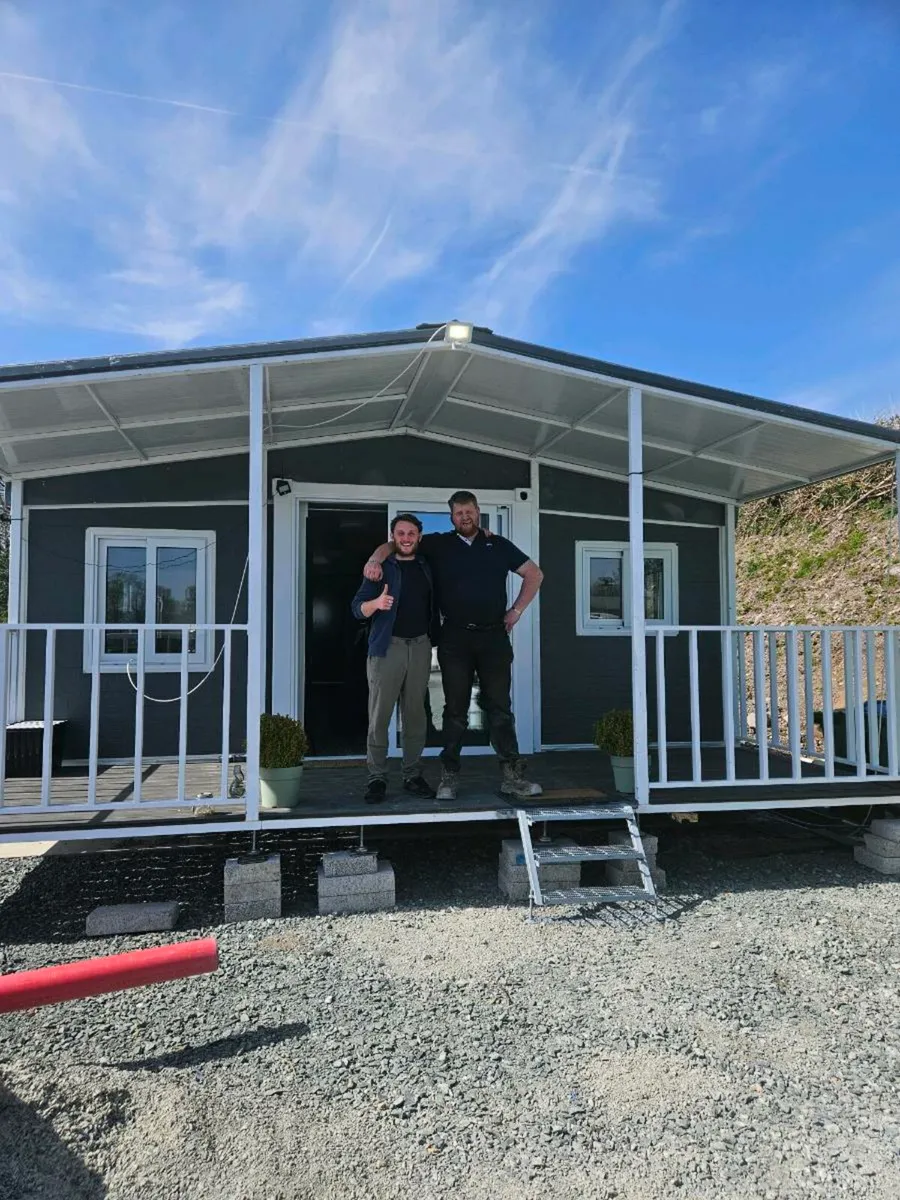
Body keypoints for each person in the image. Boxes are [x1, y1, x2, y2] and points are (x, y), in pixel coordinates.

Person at [363, 491, 544, 801]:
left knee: (500, 709)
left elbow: (534, 574)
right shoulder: (438, 544)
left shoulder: (497, 545)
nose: (465, 517)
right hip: (455, 639)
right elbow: (398, 543)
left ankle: (512, 777)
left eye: (469, 511)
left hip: (494, 638)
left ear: (478, 512)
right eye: (459, 513)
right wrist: (375, 558)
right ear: (451, 517)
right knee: (455, 711)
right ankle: (449, 776)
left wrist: (516, 611)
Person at [351, 513, 439, 804]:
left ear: (419, 537)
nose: (405, 538)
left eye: (411, 533)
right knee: (379, 716)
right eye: (400, 533)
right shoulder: (380, 568)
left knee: (415, 715)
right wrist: (376, 603)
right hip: (387, 648)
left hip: (421, 646)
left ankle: (412, 775)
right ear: (393, 536)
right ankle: (377, 778)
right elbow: (356, 608)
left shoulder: (427, 563)